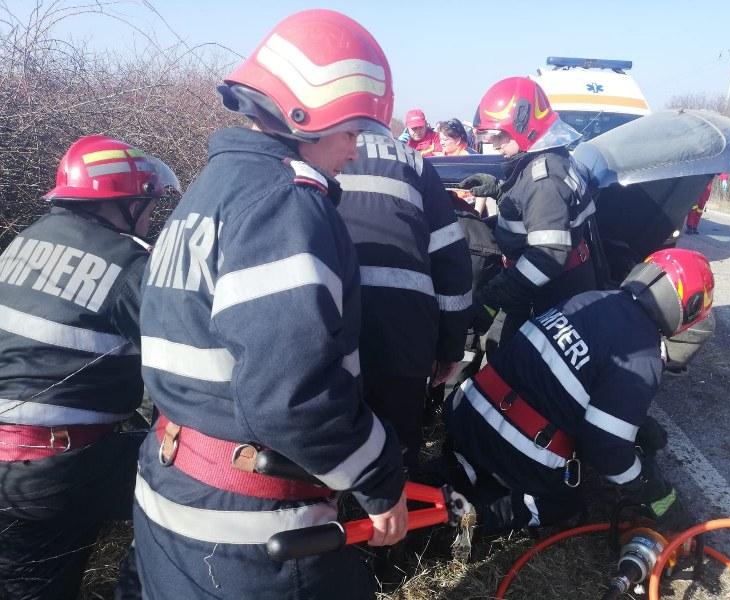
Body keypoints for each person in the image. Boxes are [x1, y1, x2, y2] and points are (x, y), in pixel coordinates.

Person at [132, 10, 408, 600]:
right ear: (308, 113)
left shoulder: (206, 193)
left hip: (172, 498)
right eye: (352, 131)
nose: (354, 152)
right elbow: (295, 397)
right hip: (253, 539)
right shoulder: (285, 204)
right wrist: (381, 480)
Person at [0, 135, 177, 600]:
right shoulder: (130, 267)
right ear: (124, 204)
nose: (151, 213)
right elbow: (182, 368)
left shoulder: (26, 240)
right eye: (148, 203)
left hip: (17, 466)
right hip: (52, 470)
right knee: (186, 485)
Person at [440, 248, 714, 534]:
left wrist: (637, 423)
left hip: (467, 414)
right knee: (566, 503)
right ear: (688, 307)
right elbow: (606, 450)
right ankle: (481, 517)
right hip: (511, 449)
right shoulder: (644, 354)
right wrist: (649, 487)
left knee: (471, 465)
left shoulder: (592, 299)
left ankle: (462, 471)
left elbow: (579, 379)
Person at [337, 132, 472, 472]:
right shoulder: (414, 162)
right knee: (397, 445)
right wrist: (450, 350)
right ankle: (395, 513)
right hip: (404, 332)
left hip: (329, 321)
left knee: (329, 433)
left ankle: (331, 511)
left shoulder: (308, 145)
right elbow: (453, 263)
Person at [460, 77, 597, 344]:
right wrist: (500, 191)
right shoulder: (552, 157)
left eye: (499, 135)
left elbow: (546, 256)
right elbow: (536, 212)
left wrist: (496, 292)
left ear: (525, 127)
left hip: (548, 293)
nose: (495, 144)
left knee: (511, 358)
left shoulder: (543, 179)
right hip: (554, 283)